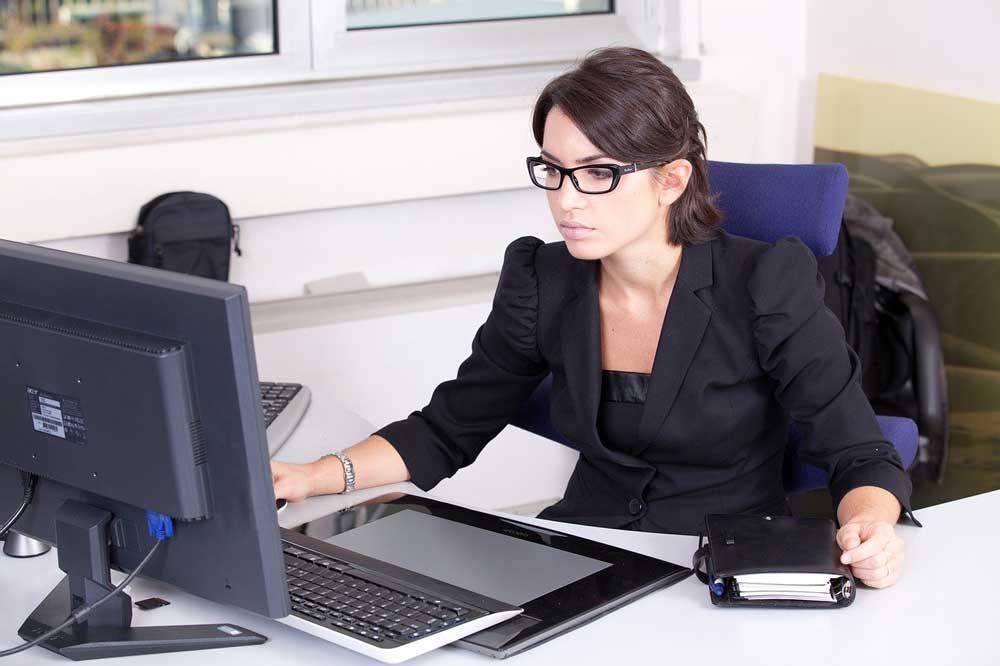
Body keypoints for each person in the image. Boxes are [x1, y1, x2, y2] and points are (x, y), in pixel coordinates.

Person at [272, 47, 912, 589]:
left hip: (717, 565)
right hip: (584, 553)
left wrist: (872, 529)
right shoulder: (543, 279)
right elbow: (448, 429)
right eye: (553, 170)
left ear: (671, 180)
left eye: (598, 174)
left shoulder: (765, 282)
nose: (565, 201)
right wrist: (312, 476)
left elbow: (861, 452)